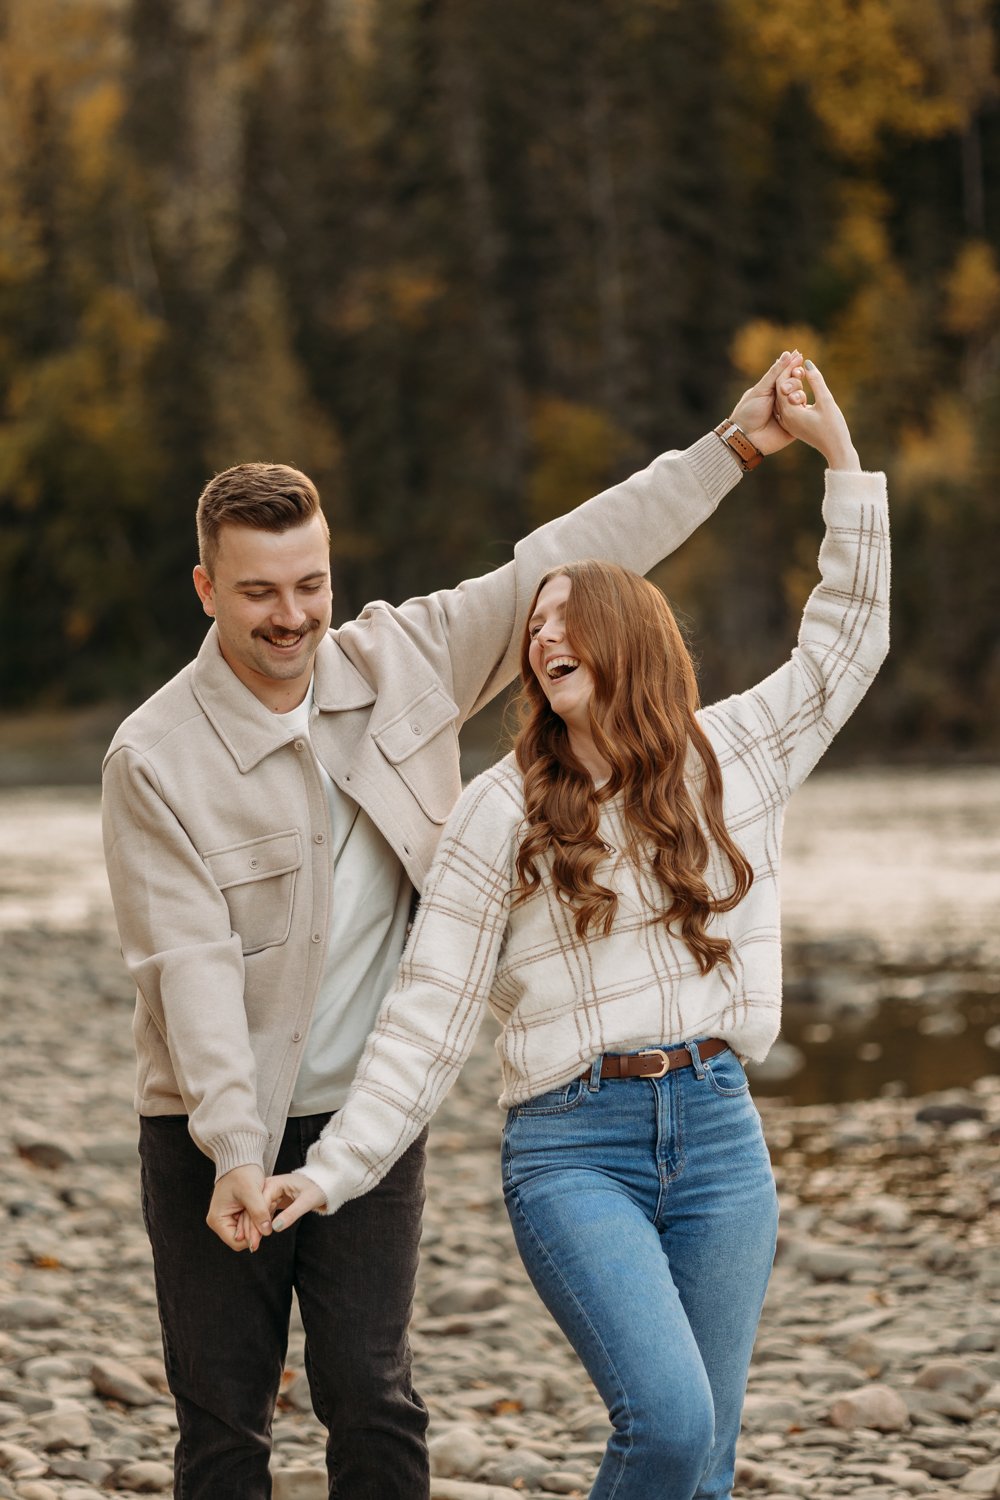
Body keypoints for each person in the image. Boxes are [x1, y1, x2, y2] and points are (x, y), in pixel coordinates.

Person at [101, 348, 800, 1499]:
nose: (293, 618)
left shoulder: (404, 660)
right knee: (223, 1416)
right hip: (209, 1125)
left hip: (368, 1119)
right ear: (206, 589)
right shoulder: (155, 758)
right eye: (260, 592)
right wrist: (233, 1150)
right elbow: (189, 972)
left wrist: (732, 449)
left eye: (311, 585)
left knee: (373, 1396)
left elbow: (569, 557)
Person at [257, 361, 890, 1499]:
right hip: (572, 1146)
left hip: (719, 1134)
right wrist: (332, 1169)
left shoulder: (733, 754)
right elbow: (429, 1018)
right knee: (668, 1424)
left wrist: (840, 463)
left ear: (627, 638)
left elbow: (844, 641)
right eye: (534, 622)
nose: (540, 633)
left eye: (565, 617)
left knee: (708, 1463)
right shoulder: (495, 812)